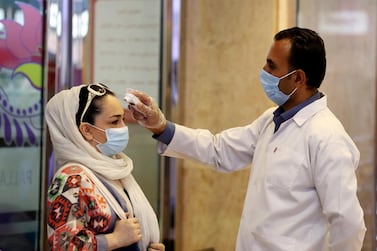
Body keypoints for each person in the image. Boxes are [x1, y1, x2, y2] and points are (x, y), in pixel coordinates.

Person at [126, 27, 366, 251]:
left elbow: (348, 223)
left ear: (298, 78)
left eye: (272, 66)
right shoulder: (271, 121)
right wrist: (160, 125)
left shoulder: (327, 137)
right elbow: (218, 150)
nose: (264, 71)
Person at [45, 83, 165, 251]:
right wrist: (114, 239)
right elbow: (62, 246)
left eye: (123, 119)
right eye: (115, 121)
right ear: (86, 130)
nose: (123, 127)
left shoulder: (115, 170)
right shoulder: (71, 179)